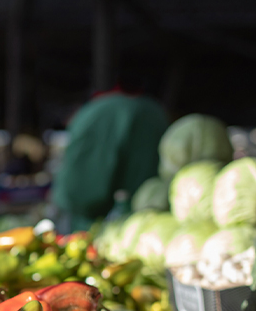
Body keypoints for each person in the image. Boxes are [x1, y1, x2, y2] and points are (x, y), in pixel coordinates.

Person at [51, 89, 170, 233]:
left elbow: (79, 190)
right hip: (150, 218)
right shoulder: (153, 110)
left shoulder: (96, 113)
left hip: (94, 224)